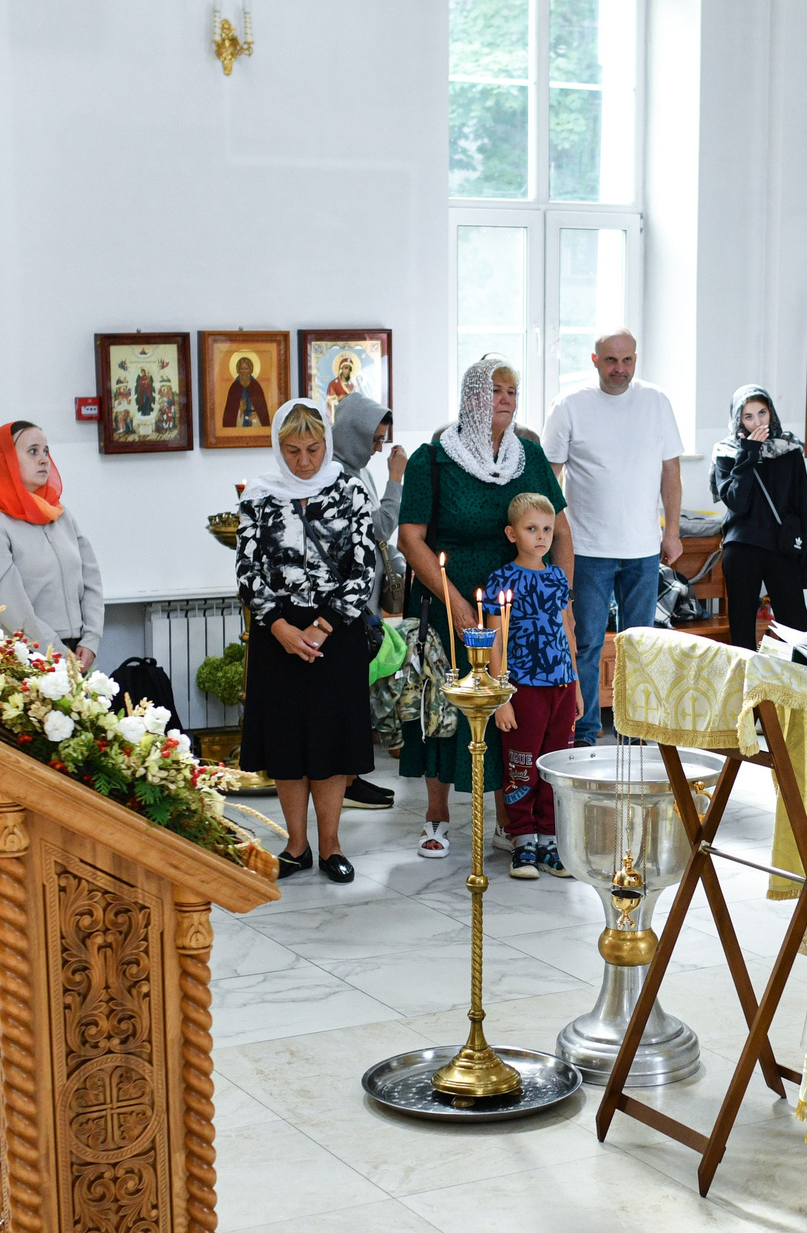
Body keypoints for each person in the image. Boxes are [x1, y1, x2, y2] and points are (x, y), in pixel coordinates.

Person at [398, 355, 568, 858]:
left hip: (519, 608)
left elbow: (561, 532)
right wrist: (454, 602)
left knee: (513, 710)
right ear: (472, 396)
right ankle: (437, 817)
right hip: (444, 601)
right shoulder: (433, 459)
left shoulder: (530, 458)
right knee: (441, 708)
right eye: (495, 390)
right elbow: (410, 539)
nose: (505, 400)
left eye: (512, 392)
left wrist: (564, 601)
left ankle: (511, 823)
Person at [235, 398, 378, 883]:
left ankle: (331, 844)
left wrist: (321, 627)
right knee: (287, 741)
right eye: (292, 450)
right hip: (277, 633)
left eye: (313, 449)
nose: (304, 461)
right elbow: (248, 571)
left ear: (327, 444)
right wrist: (278, 626)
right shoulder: (258, 495)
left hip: (336, 631)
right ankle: (296, 846)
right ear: (278, 447)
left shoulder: (350, 490)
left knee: (331, 740)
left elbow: (363, 570)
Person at [544, 329, 685, 745]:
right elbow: (549, 479)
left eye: (627, 361)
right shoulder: (569, 405)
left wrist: (672, 530)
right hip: (586, 550)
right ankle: (585, 732)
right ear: (594, 360)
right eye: (610, 361)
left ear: (636, 360)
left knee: (641, 647)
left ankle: (634, 731)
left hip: (643, 549)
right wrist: (555, 541)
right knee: (586, 644)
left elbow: (671, 472)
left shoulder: (657, 401)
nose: (619, 369)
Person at [486, 493, 580, 879]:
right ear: (512, 533)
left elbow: (567, 631)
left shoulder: (557, 577)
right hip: (523, 688)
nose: (541, 537)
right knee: (522, 765)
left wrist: (578, 686)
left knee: (554, 766)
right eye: (531, 529)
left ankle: (550, 840)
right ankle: (522, 840)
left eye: (546, 529)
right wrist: (501, 696)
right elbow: (495, 640)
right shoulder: (502, 580)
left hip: (561, 684)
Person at [0, 421, 104, 670]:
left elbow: (91, 578)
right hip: (28, 654)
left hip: (78, 651)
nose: (44, 459)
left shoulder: (59, 514)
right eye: (33, 451)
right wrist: (54, 650)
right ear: (7, 459)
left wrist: (91, 639)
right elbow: (7, 601)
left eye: (46, 451)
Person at [330, 391, 407, 813]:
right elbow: (380, 524)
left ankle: (352, 776)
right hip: (349, 602)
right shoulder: (340, 475)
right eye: (374, 440)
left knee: (358, 690)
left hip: (366, 596)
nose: (379, 449)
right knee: (349, 693)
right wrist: (397, 477)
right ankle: (347, 779)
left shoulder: (357, 470)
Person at [710, 386, 807, 650]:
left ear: (771, 412)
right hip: (743, 546)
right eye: (748, 417)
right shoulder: (726, 452)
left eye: (762, 413)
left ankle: (798, 688)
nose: (757, 422)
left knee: (797, 628)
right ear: (738, 420)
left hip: (781, 546)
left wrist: (806, 566)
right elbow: (736, 502)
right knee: (742, 632)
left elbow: (804, 506)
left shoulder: (789, 449)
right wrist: (749, 453)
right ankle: (743, 689)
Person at [222, 355, 270, 431]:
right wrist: (240, 409)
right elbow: (231, 410)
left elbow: (261, 408)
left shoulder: (255, 386)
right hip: (239, 418)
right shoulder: (234, 387)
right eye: (242, 369)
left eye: (246, 369)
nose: (244, 371)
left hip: (254, 418)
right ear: (238, 370)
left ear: (250, 370)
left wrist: (256, 414)